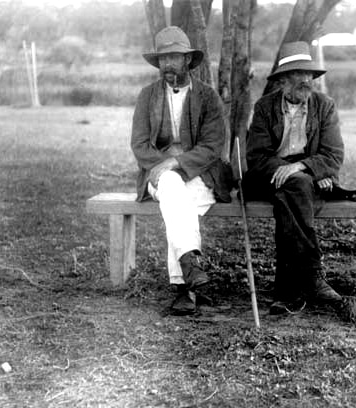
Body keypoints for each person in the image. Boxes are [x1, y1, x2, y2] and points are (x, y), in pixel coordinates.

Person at [131, 26, 231, 315]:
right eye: (163, 59)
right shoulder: (147, 96)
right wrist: (162, 167)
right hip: (158, 176)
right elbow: (139, 144)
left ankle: (184, 287)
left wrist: (173, 162)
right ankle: (191, 266)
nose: (167, 65)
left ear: (188, 60)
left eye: (174, 58)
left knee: (178, 204)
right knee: (174, 188)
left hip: (201, 173)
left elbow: (212, 147)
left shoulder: (209, 97)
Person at [244, 41, 346, 315]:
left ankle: (286, 292)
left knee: (288, 198)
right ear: (283, 80)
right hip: (266, 177)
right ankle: (313, 274)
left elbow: (333, 155)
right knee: (294, 188)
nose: (305, 79)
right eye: (298, 73)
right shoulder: (265, 107)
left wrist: (302, 167)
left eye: (309, 73)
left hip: (300, 181)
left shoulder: (324, 106)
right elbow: (256, 156)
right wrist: (300, 170)